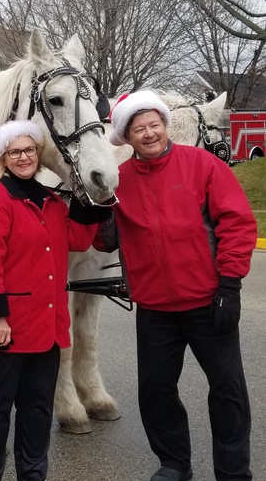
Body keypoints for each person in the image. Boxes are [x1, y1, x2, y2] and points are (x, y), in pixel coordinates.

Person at [93, 90, 257, 481]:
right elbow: (104, 242)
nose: (149, 134)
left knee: (227, 390)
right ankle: (173, 463)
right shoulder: (121, 180)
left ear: (166, 126)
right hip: (155, 310)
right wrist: (96, 206)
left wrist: (230, 286)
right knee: (156, 391)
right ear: (127, 137)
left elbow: (237, 224)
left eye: (154, 125)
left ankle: (233, 471)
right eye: (139, 129)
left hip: (209, 301)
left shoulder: (201, 165)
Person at [0, 120, 104, 481]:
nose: (24, 157)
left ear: (39, 155)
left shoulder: (52, 202)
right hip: (7, 332)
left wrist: (94, 200)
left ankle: (33, 475)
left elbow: (76, 239)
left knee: (37, 412)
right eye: (15, 152)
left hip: (47, 329)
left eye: (30, 150)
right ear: (3, 157)